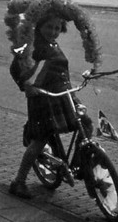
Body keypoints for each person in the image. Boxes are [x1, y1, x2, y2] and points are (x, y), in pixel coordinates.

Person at [9, 11, 90, 199]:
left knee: (84, 123)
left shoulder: (52, 42)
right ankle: (18, 181)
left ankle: (80, 167)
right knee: (40, 139)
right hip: (43, 98)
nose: (53, 31)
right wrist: (26, 87)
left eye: (57, 27)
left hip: (62, 95)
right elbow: (16, 67)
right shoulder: (31, 44)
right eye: (49, 27)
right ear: (39, 26)